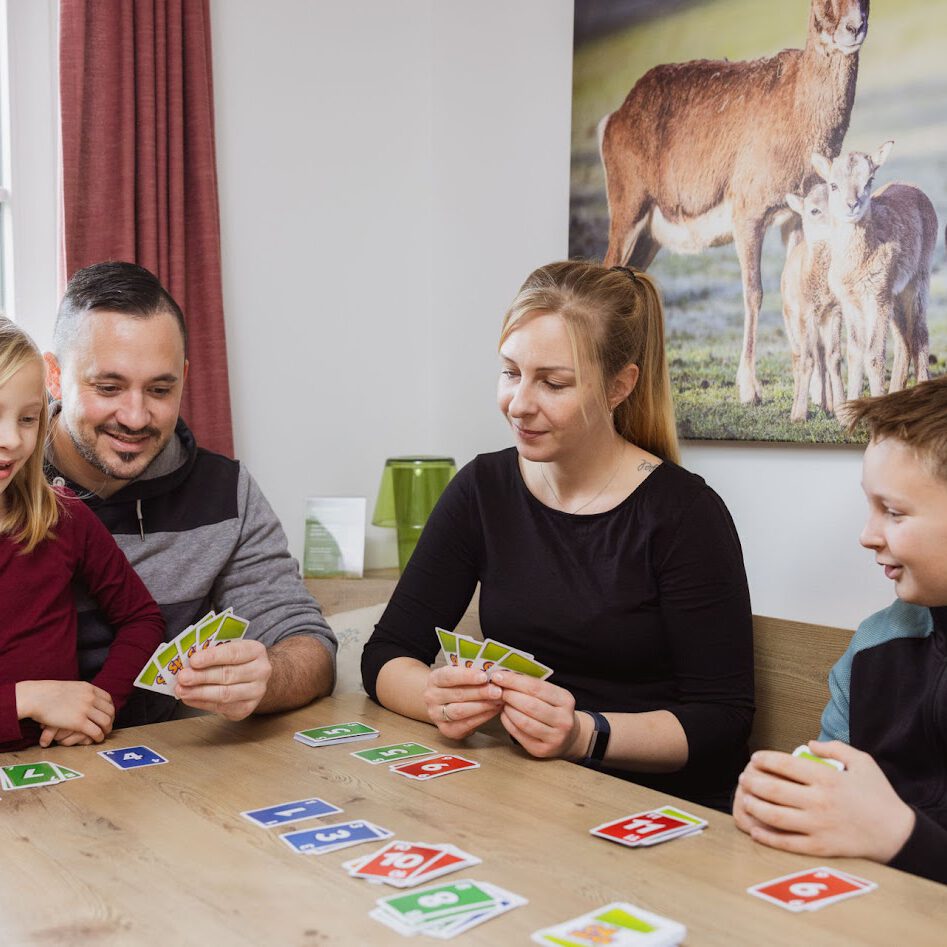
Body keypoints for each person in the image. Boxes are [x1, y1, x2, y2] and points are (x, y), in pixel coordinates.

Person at [362, 260, 754, 810]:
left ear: (621, 386)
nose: (519, 404)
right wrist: (436, 698)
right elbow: (386, 654)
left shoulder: (686, 514)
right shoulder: (482, 488)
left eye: (553, 383)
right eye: (510, 372)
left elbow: (722, 721)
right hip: (525, 794)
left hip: (653, 808)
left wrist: (581, 734)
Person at [43, 261, 337, 726]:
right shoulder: (13, 483)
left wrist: (267, 678)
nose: (136, 416)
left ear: (184, 376)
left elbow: (306, 642)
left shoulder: (225, 491)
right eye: (109, 387)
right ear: (55, 376)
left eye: (160, 389)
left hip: (174, 765)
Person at [733, 377, 947, 885]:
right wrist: (783, 802)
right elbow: (826, 791)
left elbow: (889, 835)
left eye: (893, 512)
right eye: (869, 507)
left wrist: (900, 835)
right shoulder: (875, 647)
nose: (867, 535)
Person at [0, 316, 163, 750]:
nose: (11, 440)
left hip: (62, 768)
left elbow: (142, 619)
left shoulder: (62, 515)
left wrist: (98, 705)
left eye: (28, 419)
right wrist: (25, 699)